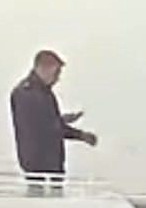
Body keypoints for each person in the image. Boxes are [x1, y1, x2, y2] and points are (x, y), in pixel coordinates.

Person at [9, 50, 97, 180]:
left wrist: (62, 120)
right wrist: (81, 135)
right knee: (42, 191)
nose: (57, 78)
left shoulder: (41, 92)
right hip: (40, 163)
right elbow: (48, 127)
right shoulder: (28, 94)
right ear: (44, 68)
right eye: (56, 73)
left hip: (48, 162)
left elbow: (45, 122)